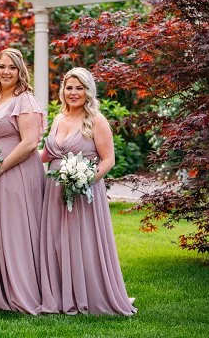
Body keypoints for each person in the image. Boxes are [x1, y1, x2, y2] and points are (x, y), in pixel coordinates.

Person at [40, 67, 137, 316]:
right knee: (57, 242)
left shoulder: (96, 120)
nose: (73, 93)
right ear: (63, 91)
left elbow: (108, 160)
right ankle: (62, 294)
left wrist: (84, 181)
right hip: (55, 190)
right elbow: (47, 154)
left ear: (88, 91)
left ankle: (88, 294)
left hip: (83, 193)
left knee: (82, 243)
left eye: (79, 88)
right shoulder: (60, 118)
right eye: (69, 87)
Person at [0, 48, 57, 314]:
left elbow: (30, 142)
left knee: (15, 232)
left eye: (12, 67)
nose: (6, 72)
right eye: (2, 67)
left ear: (21, 71)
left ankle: (22, 291)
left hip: (15, 173)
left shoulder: (25, 100)